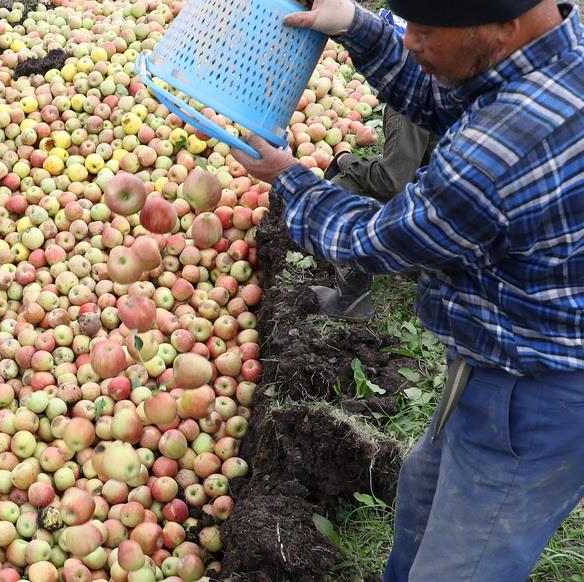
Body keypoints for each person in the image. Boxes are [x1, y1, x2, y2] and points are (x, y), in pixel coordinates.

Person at [229, 1, 584, 580]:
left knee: (461, 565)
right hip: (496, 359)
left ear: (503, 26)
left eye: (427, 29)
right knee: (421, 497)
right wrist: (355, 26)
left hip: (535, 395)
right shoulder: (549, 52)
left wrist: (287, 179)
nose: (412, 41)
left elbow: (375, 242)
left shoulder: (499, 150)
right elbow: (441, 98)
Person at [316, 10, 439, 321]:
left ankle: (352, 300)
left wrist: (346, 161)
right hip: (466, 214)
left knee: (340, 192)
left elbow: (392, 181)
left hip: (448, 222)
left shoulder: (408, 100)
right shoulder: (443, 77)